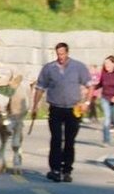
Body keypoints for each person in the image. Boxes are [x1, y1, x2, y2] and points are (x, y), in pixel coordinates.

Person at [30, 41, 92, 183]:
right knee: (56, 139)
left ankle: (67, 170)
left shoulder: (78, 67)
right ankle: (55, 170)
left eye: (63, 54)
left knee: (70, 141)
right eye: (58, 54)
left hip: (73, 108)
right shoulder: (49, 68)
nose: (60, 57)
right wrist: (35, 105)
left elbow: (90, 85)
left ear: (67, 53)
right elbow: (40, 88)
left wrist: (87, 102)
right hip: (56, 108)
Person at [94, 55, 114, 145]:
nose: (106, 65)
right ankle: (106, 140)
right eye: (105, 64)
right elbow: (100, 84)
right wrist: (92, 88)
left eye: (108, 63)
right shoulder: (104, 73)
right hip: (105, 98)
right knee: (107, 120)